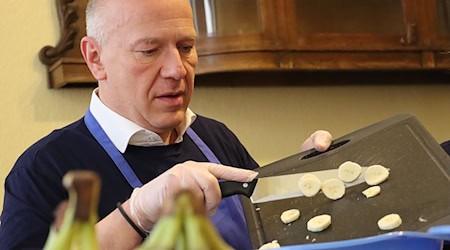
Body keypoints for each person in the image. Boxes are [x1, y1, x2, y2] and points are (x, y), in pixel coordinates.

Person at [0, 0, 333, 249]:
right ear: (95, 59)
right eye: (149, 50)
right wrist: (138, 214)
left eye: (186, 47)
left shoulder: (215, 137)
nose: (177, 69)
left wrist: (306, 182)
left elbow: (272, 230)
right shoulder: (42, 170)